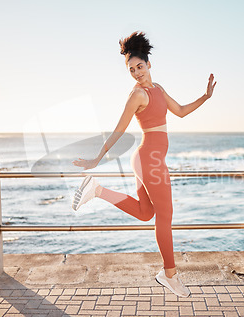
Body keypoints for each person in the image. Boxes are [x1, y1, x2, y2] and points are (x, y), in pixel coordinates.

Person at [72, 31, 216, 297]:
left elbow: (181, 111)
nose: (136, 72)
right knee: (165, 215)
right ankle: (169, 274)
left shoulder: (158, 89)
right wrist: (97, 158)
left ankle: (98, 190)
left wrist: (205, 97)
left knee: (146, 213)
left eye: (139, 67)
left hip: (150, 159)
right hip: (147, 158)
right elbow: (118, 130)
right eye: (131, 69)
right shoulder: (137, 95)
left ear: (149, 64)